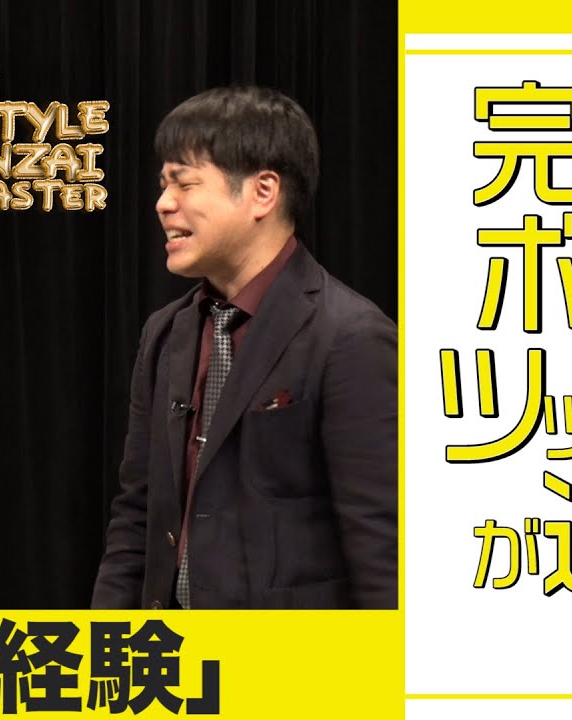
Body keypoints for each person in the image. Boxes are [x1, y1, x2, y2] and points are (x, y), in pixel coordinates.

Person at [92, 86, 396, 609]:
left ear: (263, 192)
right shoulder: (166, 332)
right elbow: (137, 515)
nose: (163, 204)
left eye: (185, 183)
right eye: (163, 185)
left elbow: (383, 552)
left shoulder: (350, 336)